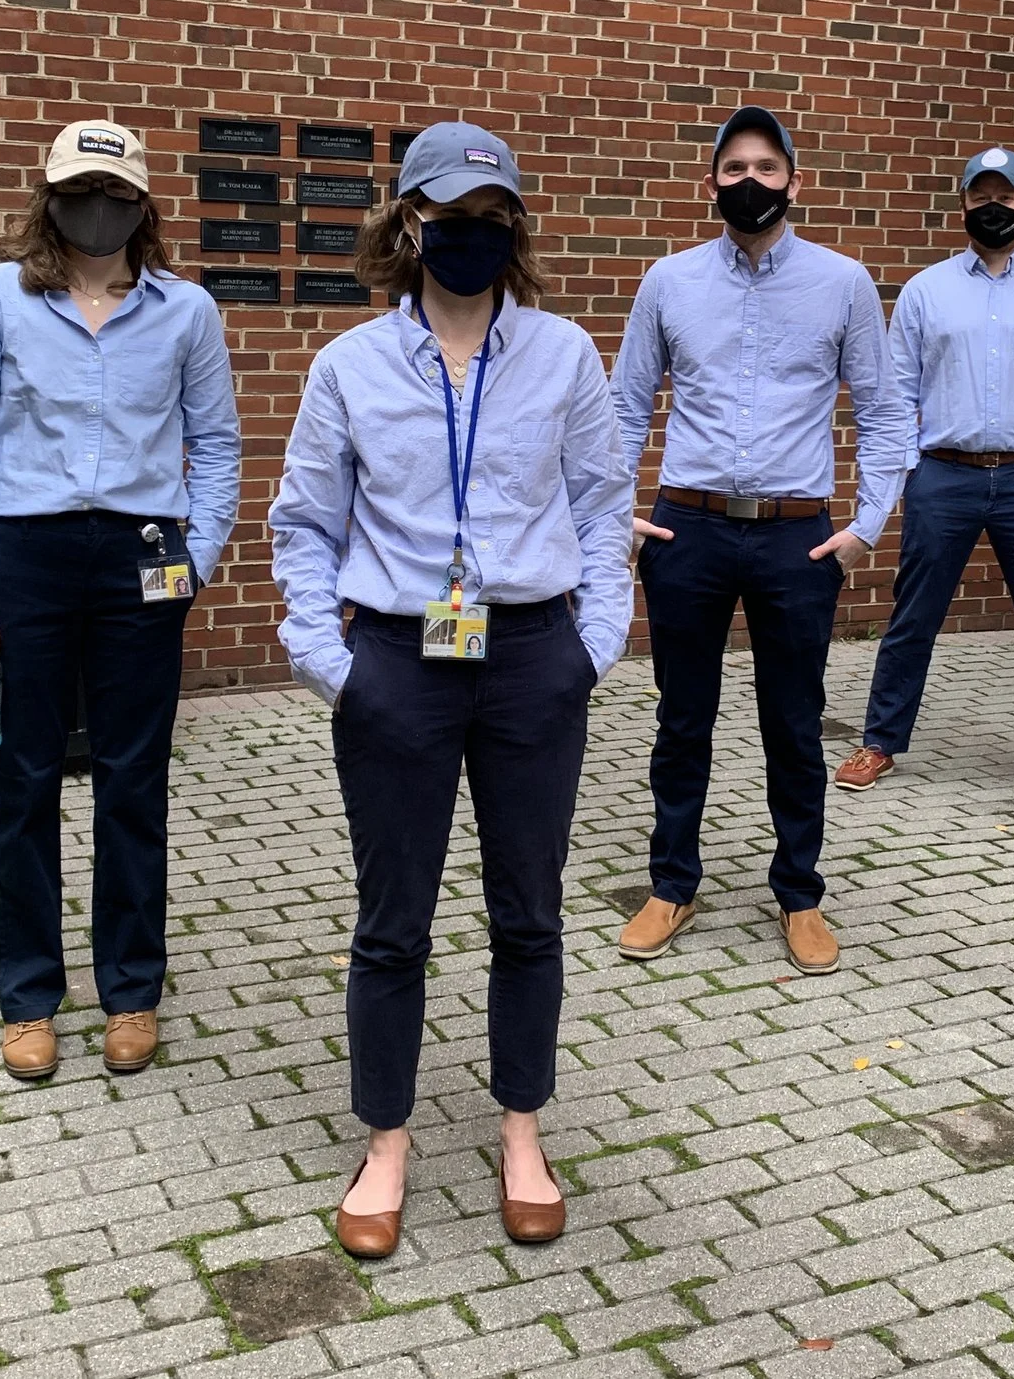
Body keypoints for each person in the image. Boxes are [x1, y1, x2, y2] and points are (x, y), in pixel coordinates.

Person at [271, 122, 632, 1260]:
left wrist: (593, 649)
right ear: (406, 223)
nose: (466, 237)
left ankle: (521, 1132)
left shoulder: (566, 356)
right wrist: (333, 666)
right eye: (447, 217)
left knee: (528, 914)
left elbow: (600, 505)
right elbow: (303, 527)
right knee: (392, 926)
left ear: (512, 230)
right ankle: (386, 1143)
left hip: (532, 660)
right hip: (395, 663)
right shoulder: (349, 368)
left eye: (490, 219)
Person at [0, 120, 239, 1083]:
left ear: (143, 206)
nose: (95, 206)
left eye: (114, 190)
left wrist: (198, 559)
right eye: (79, 188)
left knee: (133, 775)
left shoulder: (187, 312)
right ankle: (27, 993)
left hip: (143, 557)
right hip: (26, 552)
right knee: (21, 778)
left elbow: (219, 447)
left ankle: (132, 988)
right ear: (49, 194)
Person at [609, 105, 916, 975]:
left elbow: (886, 412)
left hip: (797, 538)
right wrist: (613, 510)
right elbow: (625, 405)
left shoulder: (844, 282)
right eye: (734, 167)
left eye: (767, 168)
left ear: (794, 180)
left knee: (793, 721)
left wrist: (863, 528)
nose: (751, 182)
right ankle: (673, 882)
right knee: (682, 718)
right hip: (687, 526)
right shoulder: (668, 282)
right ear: (712, 181)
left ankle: (800, 893)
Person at [837, 147, 1014, 812]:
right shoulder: (927, 291)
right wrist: (910, 467)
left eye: (1007, 194)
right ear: (962, 203)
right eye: (981, 194)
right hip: (944, 477)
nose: (994, 206)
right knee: (913, 618)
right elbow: (895, 392)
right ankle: (879, 741)